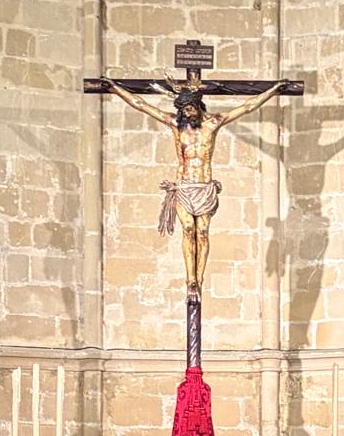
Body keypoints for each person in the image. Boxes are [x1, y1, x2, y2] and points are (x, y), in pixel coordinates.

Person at [104, 75, 287, 296]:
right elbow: (141, 104)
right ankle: (190, 280)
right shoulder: (176, 125)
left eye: (190, 109)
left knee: (202, 232)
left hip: (204, 188)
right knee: (189, 229)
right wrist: (115, 89)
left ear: (198, 105)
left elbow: (248, 106)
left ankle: (199, 279)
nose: (187, 114)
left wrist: (273, 90)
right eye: (183, 110)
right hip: (184, 187)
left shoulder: (213, 123)